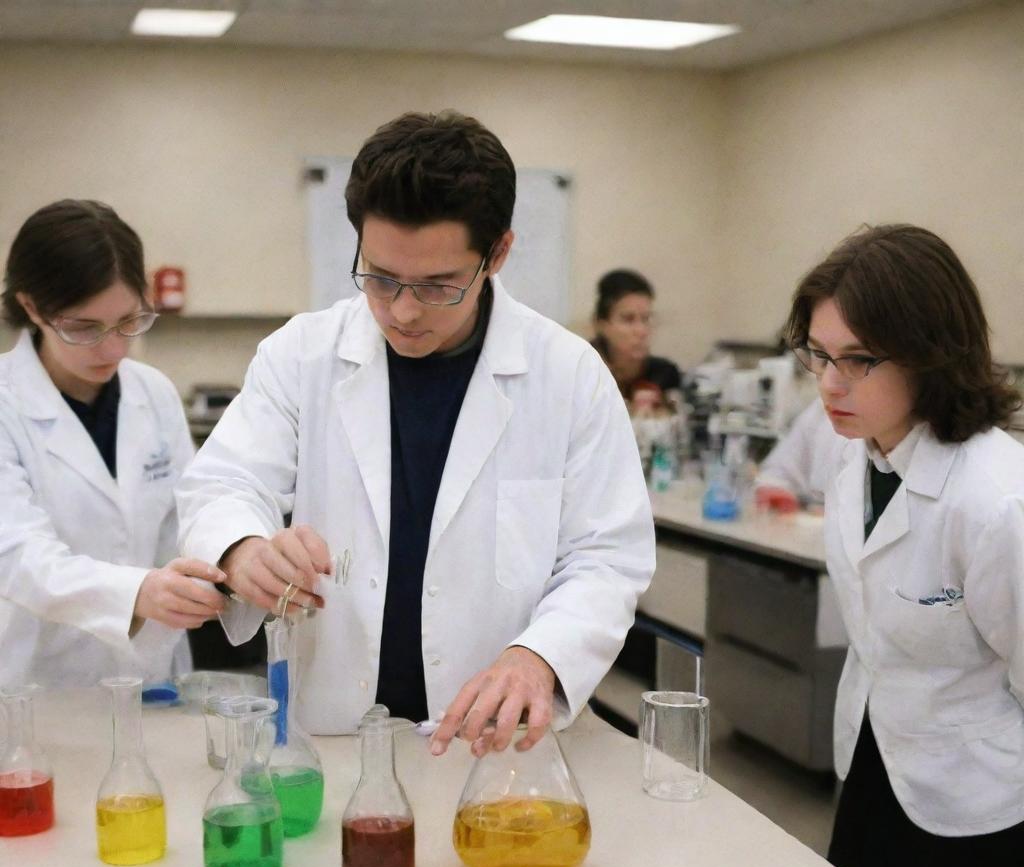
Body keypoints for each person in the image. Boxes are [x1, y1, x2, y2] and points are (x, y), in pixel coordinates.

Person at [176, 111, 655, 757]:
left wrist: (537, 657)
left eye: (437, 285)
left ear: (499, 254)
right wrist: (243, 550)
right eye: (379, 277)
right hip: (334, 732)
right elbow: (224, 483)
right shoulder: (302, 355)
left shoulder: (568, 375)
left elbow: (607, 555)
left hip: (498, 742)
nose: (401, 310)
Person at [786, 223, 1024, 867]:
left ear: (932, 352)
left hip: (980, 809)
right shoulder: (861, 456)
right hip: (878, 765)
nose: (830, 382)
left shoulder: (997, 501)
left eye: (859, 359)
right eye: (820, 354)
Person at [0, 200, 226, 689]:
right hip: (42, 685)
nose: (114, 349)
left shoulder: (154, 392)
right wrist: (136, 591)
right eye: (84, 328)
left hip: (152, 674)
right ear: (31, 307)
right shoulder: (5, 405)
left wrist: (235, 555)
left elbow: (187, 520)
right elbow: (19, 556)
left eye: (129, 320)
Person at [591, 269, 681, 412]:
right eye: (628, 319)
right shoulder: (586, 371)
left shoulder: (664, 374)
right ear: (602, 324)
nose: (641, 331)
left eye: (646, 319)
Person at [754, 396, 851, 512]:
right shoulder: (821, 408)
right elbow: (780, 471)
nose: (829, 385)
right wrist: (774, 488)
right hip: (815, 520)